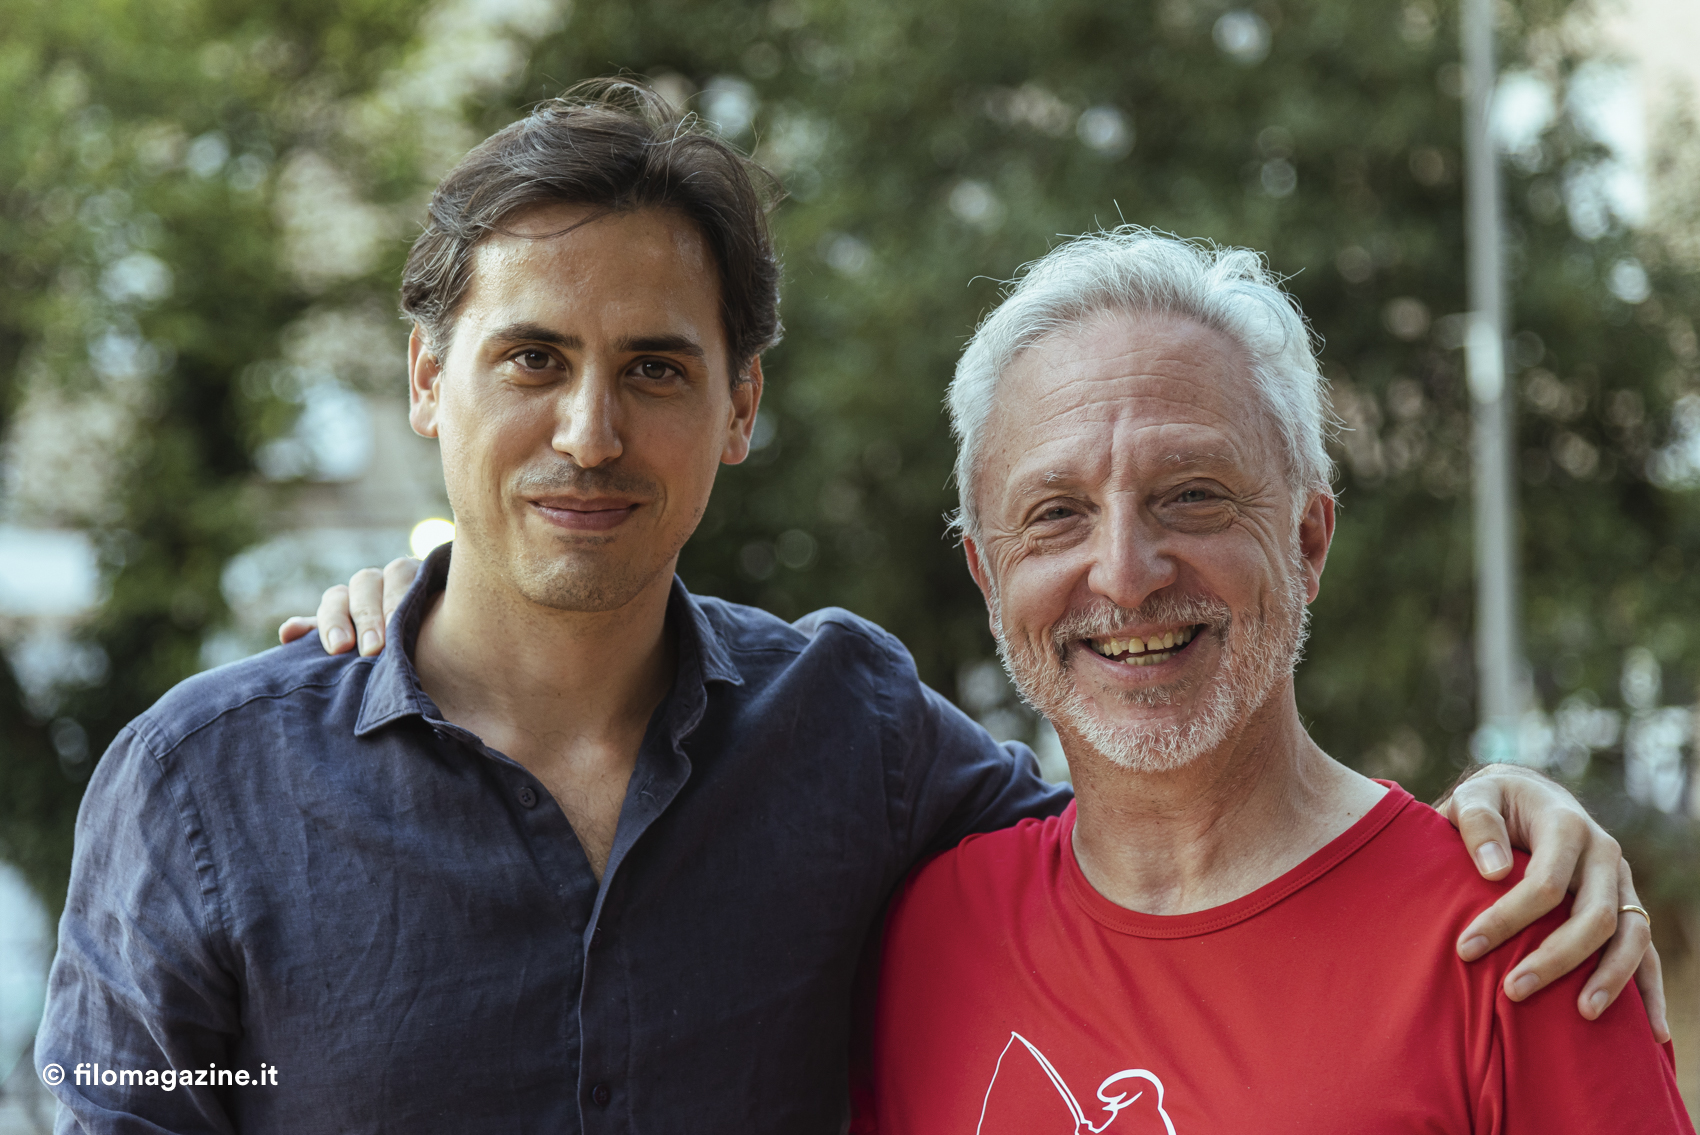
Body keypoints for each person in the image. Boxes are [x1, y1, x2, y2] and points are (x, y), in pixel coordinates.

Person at [37, 81, 1656, 1135]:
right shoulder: (203, 789)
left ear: (740, 406)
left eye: (654, 368)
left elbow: (1167, 802)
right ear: (426, 380)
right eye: (532, 358)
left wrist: (1509, 815)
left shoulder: (856, 744)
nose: (589, 431)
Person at [856, 228, 1691, 1132]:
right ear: (988, 580)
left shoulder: (1521, 937)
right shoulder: (928, 940)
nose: (1126, 575)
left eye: (1192, 494)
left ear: (1307, 540)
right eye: (1057, 513)